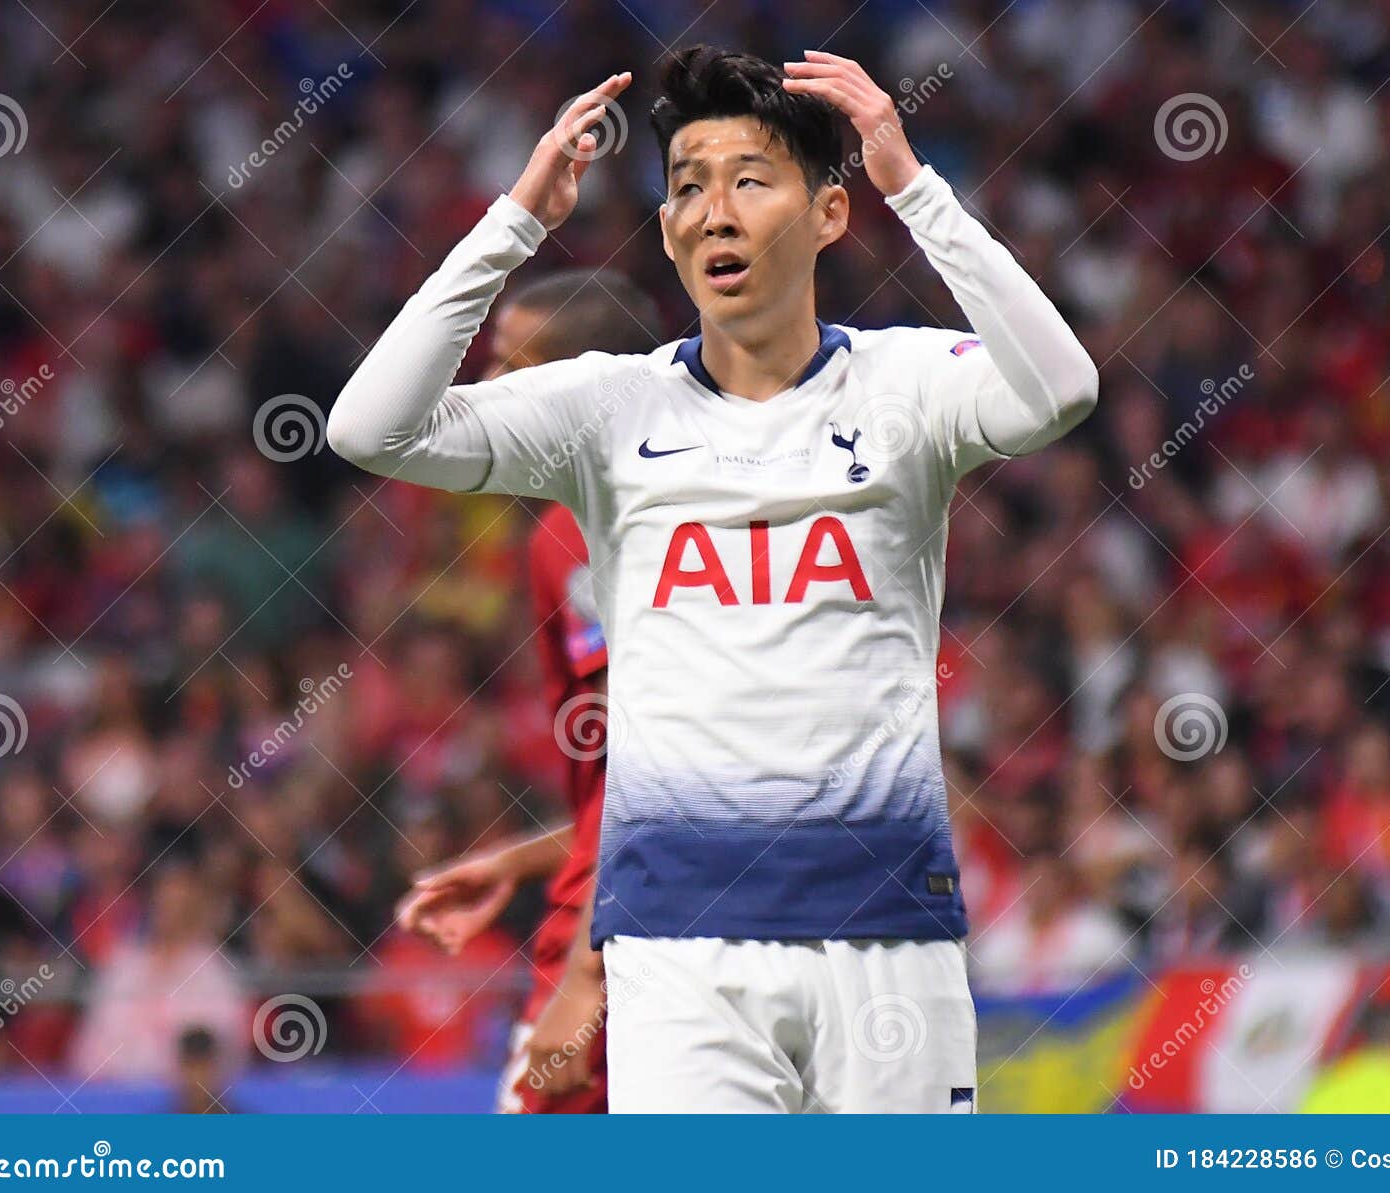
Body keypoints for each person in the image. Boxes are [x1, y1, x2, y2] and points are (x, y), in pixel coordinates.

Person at [329, 44, 1098, 1112]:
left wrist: (912, 187)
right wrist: (517, 222)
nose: (713, 211)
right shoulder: (607, 410)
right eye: (687, 186)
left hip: (885, 933)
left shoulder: (907, 383)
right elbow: (370, 426)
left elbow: (1062, 388)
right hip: (676, 950)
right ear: (665, 232)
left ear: (828, 213)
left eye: (749, 179)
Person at [396, 269, 662, 1112]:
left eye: (512, 366)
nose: (485, 391)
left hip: (628, 932)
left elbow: (657, 766)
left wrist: (585, 980)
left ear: (580, 382)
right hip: (674, 911)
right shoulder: (600, 516)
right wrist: (515, 859)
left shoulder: (586, 533)